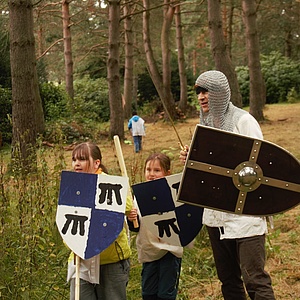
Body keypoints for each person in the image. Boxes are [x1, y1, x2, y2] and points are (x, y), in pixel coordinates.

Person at [179, 70, 275, 300]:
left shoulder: (243, 121)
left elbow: (260, 167)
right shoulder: (204, 126)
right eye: (199, 92)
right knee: (229, 281)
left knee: (255, 280)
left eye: (206, 91)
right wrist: (190, 160)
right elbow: (207, 174)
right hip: (215, 218)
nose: (201, 96)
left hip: (245, 217)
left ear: (220, 93)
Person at [67, 142, 132, 300]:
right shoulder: (71, 187)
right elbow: (66, 223)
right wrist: (72, 244)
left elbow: (128, 205)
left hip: (110, 260)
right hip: (81, 259)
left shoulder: (110, 183)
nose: (76, 163)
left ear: (97, 163)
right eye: (74, 159)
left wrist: (95, 188)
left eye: (82, 159)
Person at [127, 153, 183, 300]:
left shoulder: (174, 194)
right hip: (149, 251)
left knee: (166, 294)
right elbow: (136, 227)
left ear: (167, 173)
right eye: (148, 170)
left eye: (157, 170)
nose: (151, 174)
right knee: (148, 293)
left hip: (170, 251)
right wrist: (131, 218)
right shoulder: (140, 195)